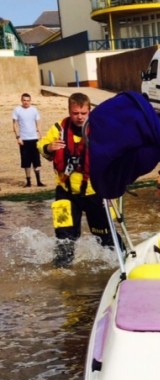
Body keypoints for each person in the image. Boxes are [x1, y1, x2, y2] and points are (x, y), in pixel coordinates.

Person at [38, 92, 116, 267]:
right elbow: (40, 145)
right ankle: (62, 271)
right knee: (64, 237)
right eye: (75, 113)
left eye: (83, 113)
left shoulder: (100, 130)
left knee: (105, 236)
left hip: (94, 192)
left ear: (89, 111)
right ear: (69, 111)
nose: (79, 117)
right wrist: (49, 147)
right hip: (65, 193)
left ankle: (121, 263)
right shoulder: (59, 129)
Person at [12, 92, 44, 187]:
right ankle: (28, 181)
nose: (26, 102)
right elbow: (14, 125)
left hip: (34, 138)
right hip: (24, 139)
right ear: (21, 100)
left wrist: (40, 134)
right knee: (26, 161)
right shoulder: (17, 110)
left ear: (30, 101)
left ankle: (38, 181)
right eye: (24, 100)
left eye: (28, 100)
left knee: (36, 160)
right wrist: (18, 137)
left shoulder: (34, 110)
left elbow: (38, 123)